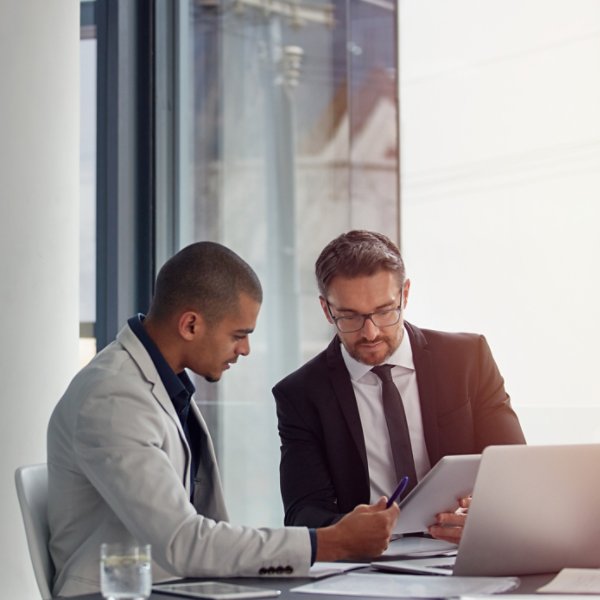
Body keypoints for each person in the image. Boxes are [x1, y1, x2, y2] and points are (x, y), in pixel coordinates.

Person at [47, 241, 399, 598]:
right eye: (238, 335)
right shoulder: (113, 397)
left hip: (176, 587)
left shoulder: (161, 385)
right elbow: (183, 542)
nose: (244, 349)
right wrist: (329, 543)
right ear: (190, 324)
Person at [273, 230, 526, 541]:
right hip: (368, 565)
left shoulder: (467, 359)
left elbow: (517, 474)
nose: (370, 333)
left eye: (384, 311)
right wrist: (351, 528)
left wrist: (485, 515)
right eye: (350, 317)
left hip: (465, 550)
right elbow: (303, 514)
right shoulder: (300, 394)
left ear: (405, 295)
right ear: (327, 310)